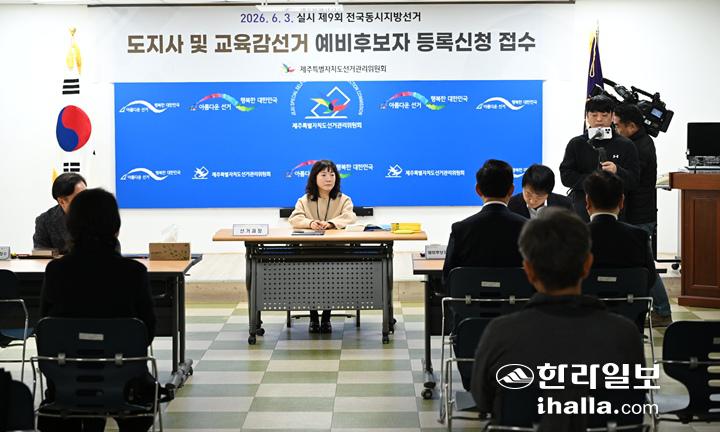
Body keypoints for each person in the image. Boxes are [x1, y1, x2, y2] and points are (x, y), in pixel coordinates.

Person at [471, 208, 645, 430]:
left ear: (528, 270)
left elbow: (483, 400)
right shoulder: (624, 334)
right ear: (587, 265)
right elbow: (633, 410)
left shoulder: (501, 333)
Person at [39, 188, 156, 432]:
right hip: (124, 383)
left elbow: (45, 329)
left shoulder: (56, 271)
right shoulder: (133, 272)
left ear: (71, 226)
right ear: (116, 227)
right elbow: (147, 332)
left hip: (66, 381)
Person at [584, 171, 672, 326]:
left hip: (584, 316)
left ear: (587, 202)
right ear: (621, 202)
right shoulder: (639, 236)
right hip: (629, 317)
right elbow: (650, 278)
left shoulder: (575, 235)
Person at [289, 160, 357, 333]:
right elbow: (295, 219)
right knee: (309, 280)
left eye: (332, 175)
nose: (329, 179)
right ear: (314, 177)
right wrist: (311, 223)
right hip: (309, 250)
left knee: (332, 280)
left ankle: (326, 317)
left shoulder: (343, 199)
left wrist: (332, 223)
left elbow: (350, 217)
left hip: (337, 250)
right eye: (324, 174)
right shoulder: (304, 200)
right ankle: (313, 317)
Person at [443, 159, 527, 284]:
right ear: (511, 190)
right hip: (517, 296)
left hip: (469, 296)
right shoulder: (528, 227)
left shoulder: (460, 229)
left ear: (478, 190)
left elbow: (448, 278)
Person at [560, 95, 640, 221]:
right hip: (582, 212)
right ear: (587, 117)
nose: (599, 119)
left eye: (604, 115)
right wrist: (593, 182)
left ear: (612, 116)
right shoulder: (577, 143)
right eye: (594, 115)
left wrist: (617, 170)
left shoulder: (626, 145)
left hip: (615, 212)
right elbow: (566, 176)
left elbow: (634, 180)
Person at [33, 173, 87, 254]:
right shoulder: (45, 221)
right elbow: (41, 255)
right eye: (80, 198)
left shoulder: (100, 215)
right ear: (62, 202)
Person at [508, 164, 573, 219]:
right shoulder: (510, 205)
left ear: (548, 193)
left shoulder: (565, 206)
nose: (532, 201)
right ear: (523, 187)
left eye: (539, 197)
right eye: (528, 194)